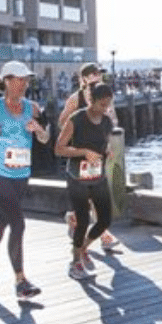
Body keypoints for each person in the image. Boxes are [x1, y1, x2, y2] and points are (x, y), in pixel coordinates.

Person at [0, 62, 49, 297]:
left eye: (26, 80)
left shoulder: (32, 107)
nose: (24, 84)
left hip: (21, 173)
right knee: (18, 222)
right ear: (6, 81)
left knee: (2, 220)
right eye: (19, 80)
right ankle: (20, 281)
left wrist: (39, 131)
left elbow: (45, 139)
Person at [54, 79, 116, 282]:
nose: (105, 109)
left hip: (97, 176)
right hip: (77, 177)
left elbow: (101, 146)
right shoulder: (77, 119)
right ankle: (75, 263)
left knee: (105, 219)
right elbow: (59, 148)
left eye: (108, 105)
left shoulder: (107, 121)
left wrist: (107, 152)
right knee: (82, 222)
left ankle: (81, 249)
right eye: (101, 104)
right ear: (92, 100)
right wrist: (83, 152)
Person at [58, 62, 123, 253]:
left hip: (99, 157)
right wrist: (78, 134)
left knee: (98, 199)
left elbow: (113, 122)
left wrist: (106, 141)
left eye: (100, 73)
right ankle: (93, 237)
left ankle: (91, 231)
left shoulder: (104, 97)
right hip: (80, 158)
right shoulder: (75, 98)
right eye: (94, 73)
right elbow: (63, 121)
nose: (98, 76)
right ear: (84, 78)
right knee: (89, 202)